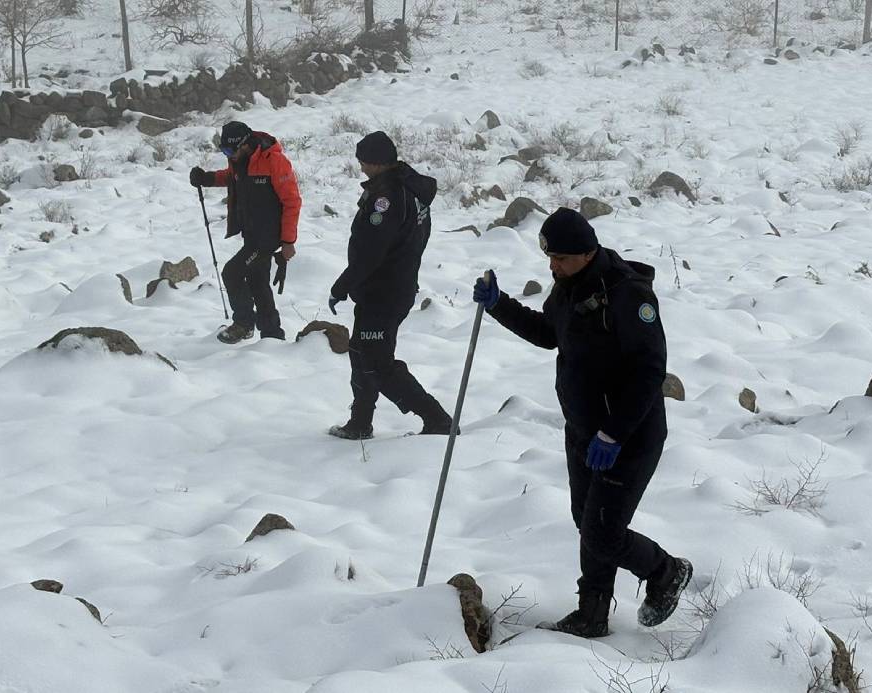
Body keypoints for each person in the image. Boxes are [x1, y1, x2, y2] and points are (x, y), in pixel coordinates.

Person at [472, 207, 691, 638]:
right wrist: (499, 305)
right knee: (587, 521)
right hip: (584, 431)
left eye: (561, 258)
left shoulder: (628, 295)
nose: (552, 267)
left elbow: (650, 370)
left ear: (588, 253)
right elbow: (548, 333)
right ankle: (591, 614)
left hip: (629, 435)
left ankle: (666, 571)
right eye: (549, 258)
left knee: (603, 532)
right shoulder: (569, 286)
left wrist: (614, 433)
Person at [326, 131, 454, 440]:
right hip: (388, 287)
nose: (361, 167)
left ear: (376, 162)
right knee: (361, 352)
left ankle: (437, 420)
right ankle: (360, 422)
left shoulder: (388, 197)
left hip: (384, 292)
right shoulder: (409, 187)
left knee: (378, 364)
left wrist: (341, 286)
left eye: (363, 161)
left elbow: (372, 251)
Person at [189, 121, 301, 343]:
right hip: (251, 234)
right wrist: (207, 178)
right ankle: (272, 335)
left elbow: (292, 202)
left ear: (245, 144)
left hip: (268, 237)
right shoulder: (239, 160)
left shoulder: (274, 161)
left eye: (230, 151)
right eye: (224, 151)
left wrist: (288, 241)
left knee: (232, 273)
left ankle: (244, 324)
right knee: (258, 281)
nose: (228, 156)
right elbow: (231, 177)